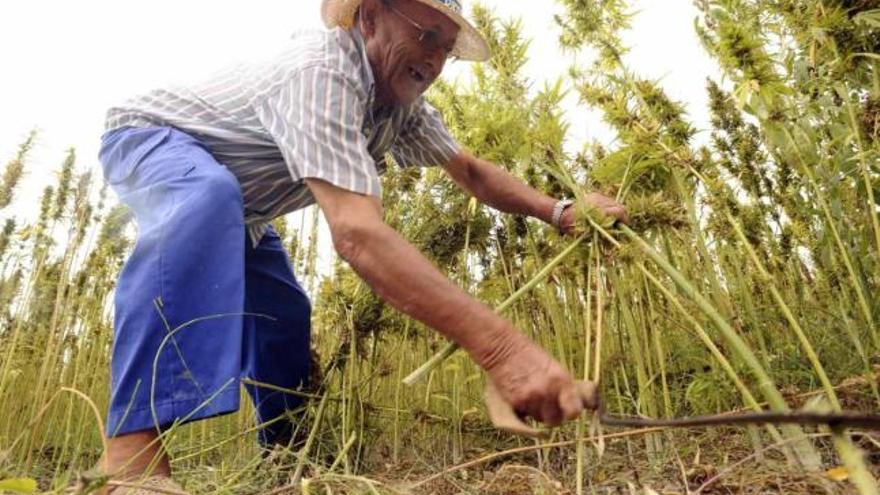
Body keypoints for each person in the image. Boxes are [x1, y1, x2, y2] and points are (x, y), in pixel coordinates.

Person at [97, 0, 628, 492]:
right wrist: (504, 350)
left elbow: (470, 171)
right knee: (206, 196)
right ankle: (129, 458)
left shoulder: (399, 104)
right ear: (370, 17)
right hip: (152, 136)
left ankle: (285, 458)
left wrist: (559, 211)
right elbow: (356, 233)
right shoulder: (321, 73)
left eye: (445, 47)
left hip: (243, 212)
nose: (435, 59)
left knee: (284, 313)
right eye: (426, 35)